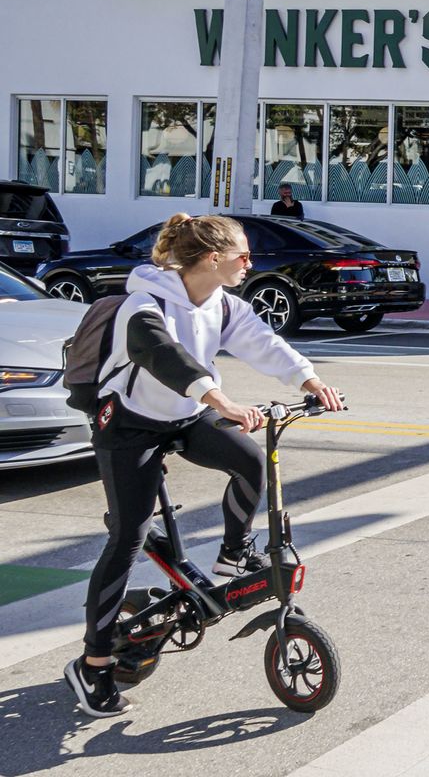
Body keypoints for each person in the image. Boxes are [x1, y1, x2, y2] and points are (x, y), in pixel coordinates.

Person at [66, 213, 345, 719]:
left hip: (186, 416)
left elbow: (263, 342)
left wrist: (308, 381)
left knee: (250, 461)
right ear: (213, 258)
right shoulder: (143, 303)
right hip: (129, 426)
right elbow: (165, 357)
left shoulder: (221, 304)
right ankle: (94, 664)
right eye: (243, 255)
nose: (249, 263)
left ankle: (233, 556)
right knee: (127, 537)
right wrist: (221, 400)